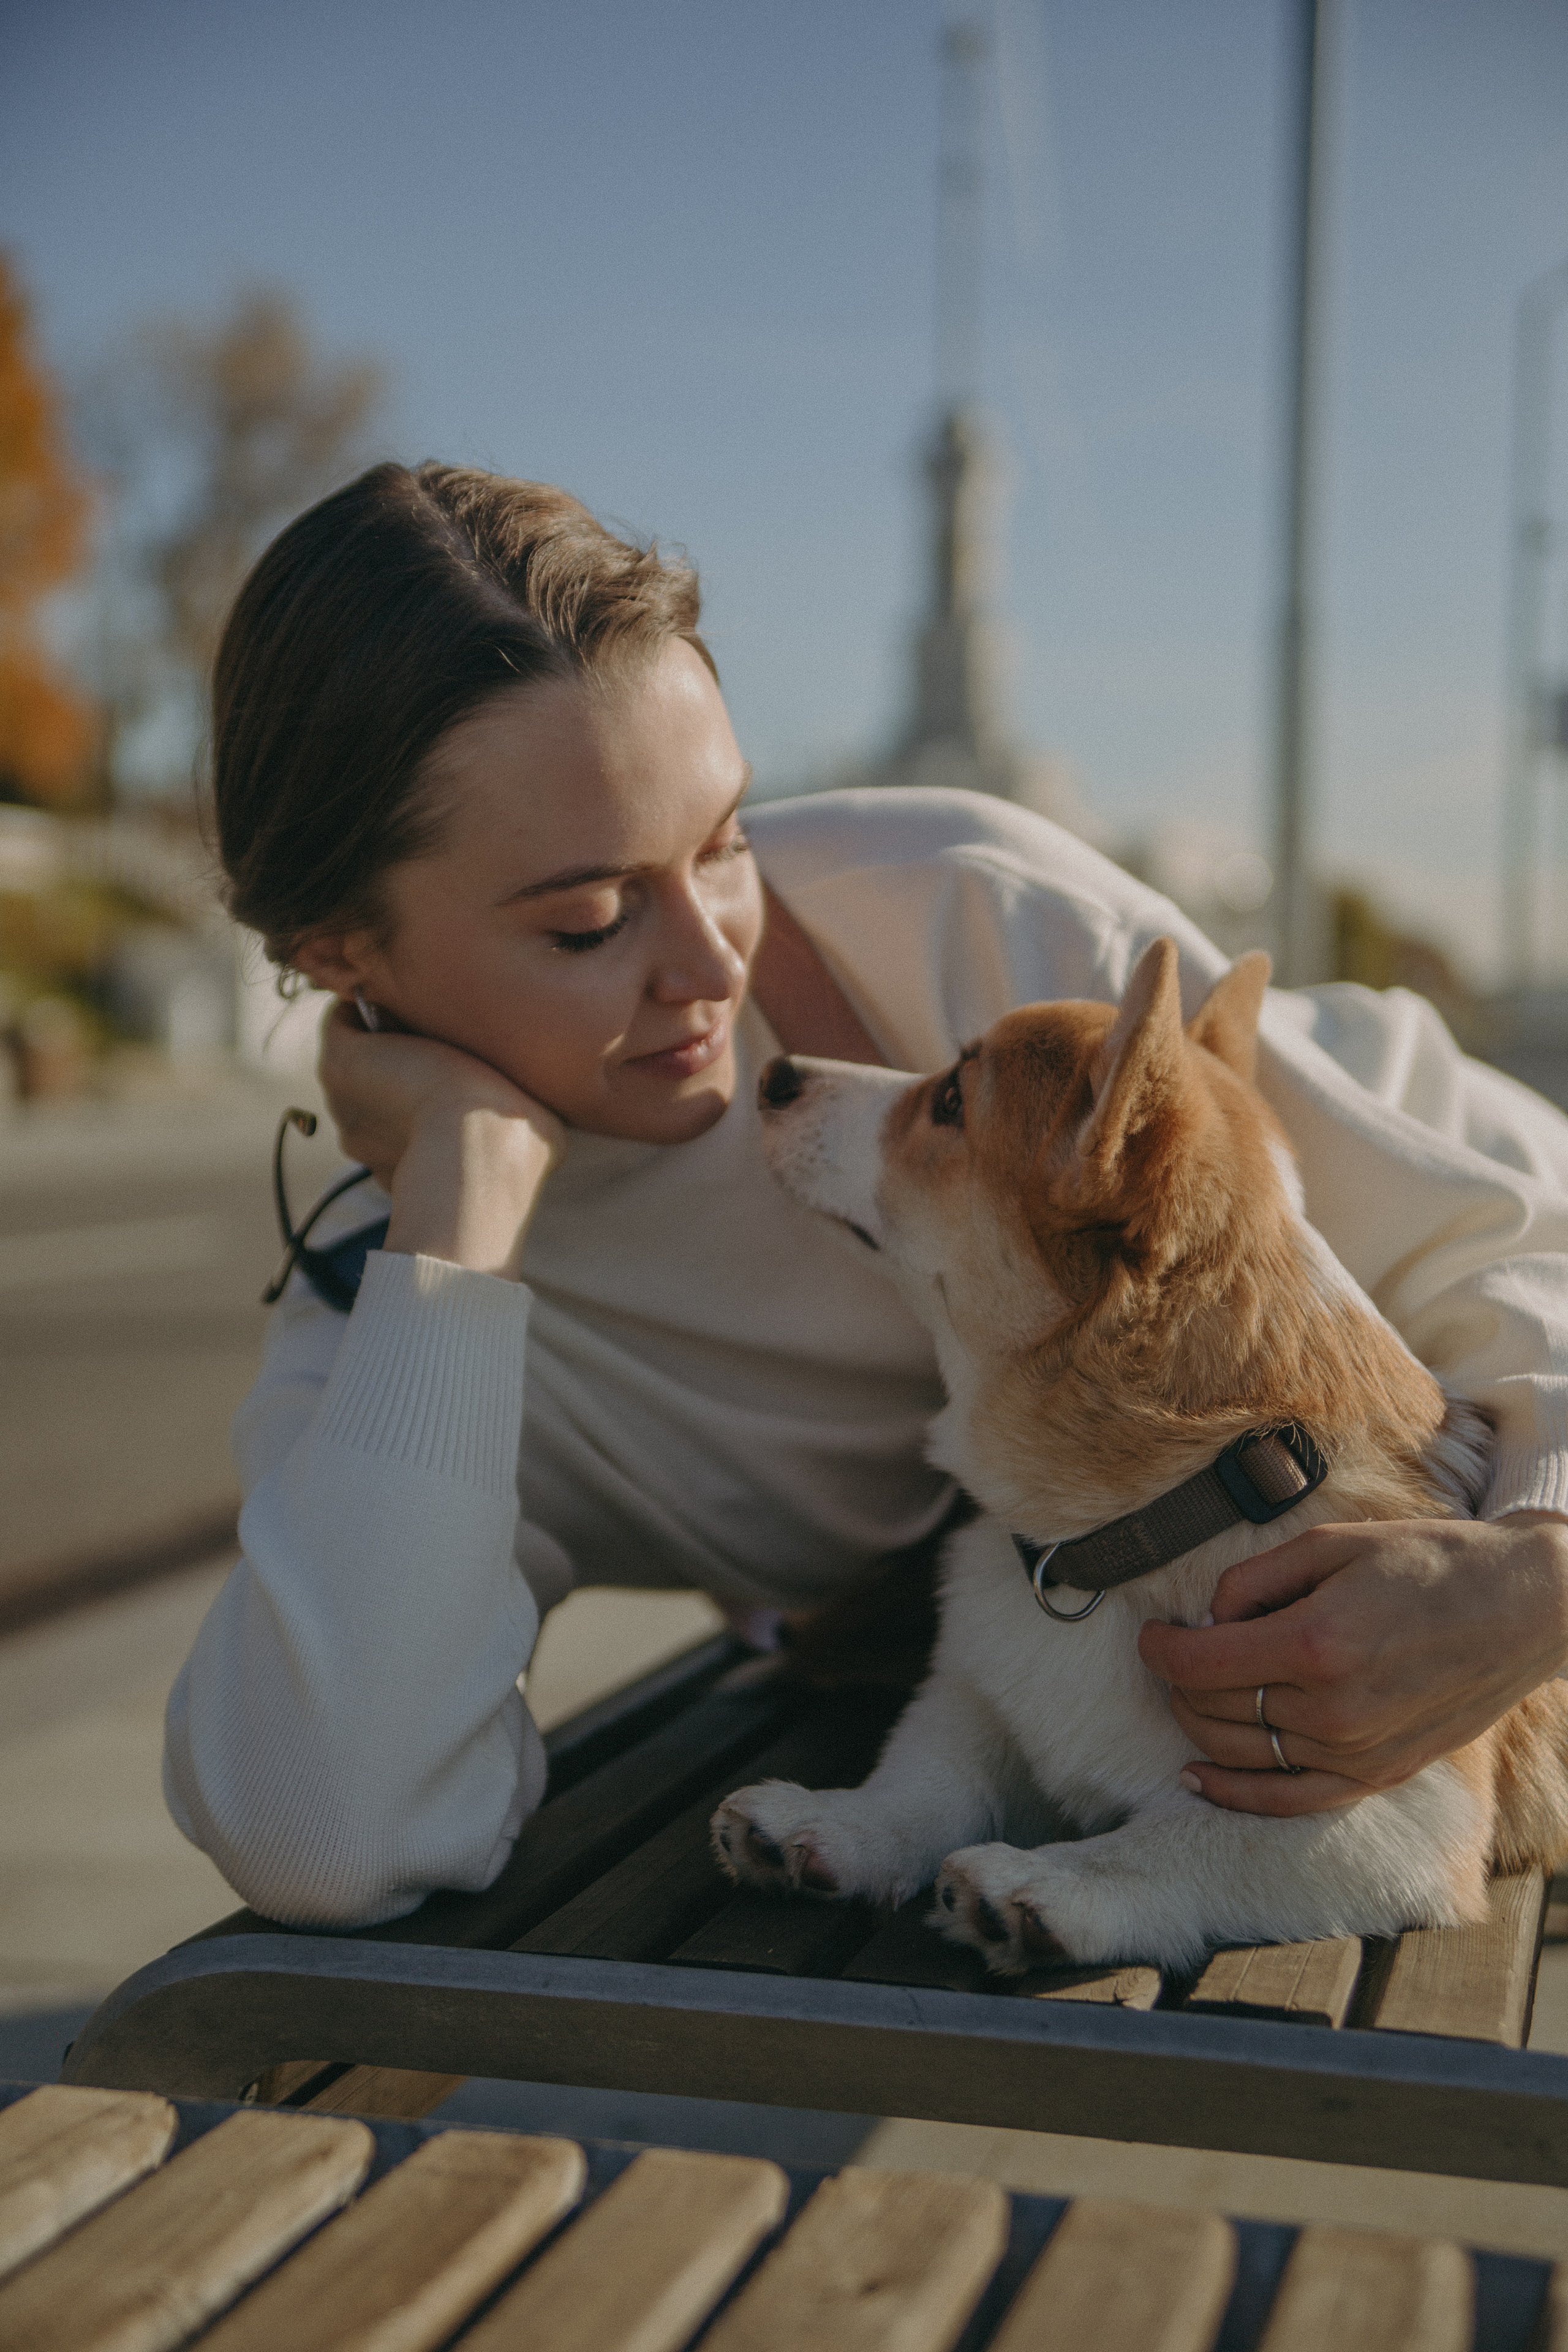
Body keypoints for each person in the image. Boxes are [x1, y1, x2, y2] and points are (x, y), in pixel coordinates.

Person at [165, 461, 1568, 1929]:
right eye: (587, 920)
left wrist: (1532, 1578)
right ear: (342, 953)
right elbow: (327, 1836)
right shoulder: (392, 1310)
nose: (710, 969)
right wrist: (460, 1197)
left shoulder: (960, 924)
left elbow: (1501, 1244)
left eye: (721, 844)